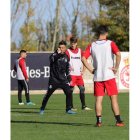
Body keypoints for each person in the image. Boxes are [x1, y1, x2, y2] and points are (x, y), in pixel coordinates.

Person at [82, 25, 124, 127]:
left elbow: (83, 58)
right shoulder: (110, 43)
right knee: (113, 99)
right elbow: (118, 54)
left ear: (98, 33)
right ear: (106, 33)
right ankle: (118, 121)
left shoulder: (92, 45)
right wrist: (116, 67)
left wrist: (91, 69)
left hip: (98, 77)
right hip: (109, 75)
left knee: (98, 100)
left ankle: (99, 121)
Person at [40, 40, 76, 115]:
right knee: (48, 95)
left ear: (65, 48)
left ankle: (68, 109)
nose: (61, 49)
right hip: (54, 80)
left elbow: (67, 68)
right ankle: (42, 108)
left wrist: (69, 78)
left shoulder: (66, 56)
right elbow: (52, 59)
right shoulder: (54, 55)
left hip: (63, 80)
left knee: (69, 92)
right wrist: (58, 54)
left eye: (63, 47)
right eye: (60, 47)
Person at [65, 37, 92, 111]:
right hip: (71, 75)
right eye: (71, 44)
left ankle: (84, 106)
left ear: (76, 43)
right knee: (70, 90)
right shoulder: (67, 51)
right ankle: (71, 106)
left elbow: (84, 60)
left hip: (79, 75)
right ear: (70, 43)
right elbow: (64, 61)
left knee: (82, 89)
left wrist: (83, 70)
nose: (73, 45)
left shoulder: (80, 51)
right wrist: (67, 68)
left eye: (74, 44)